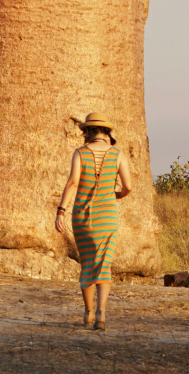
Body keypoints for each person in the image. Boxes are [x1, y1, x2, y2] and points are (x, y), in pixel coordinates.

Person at [55, 112, 133, 330]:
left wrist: (61, 210)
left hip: (83, 217)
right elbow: (128, 187)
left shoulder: (80, 153)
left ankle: (88, 312)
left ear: (88, 132)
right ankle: (101, 314)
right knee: (104, 265)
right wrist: (115, 195)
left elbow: (72, 183)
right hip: (107, 218)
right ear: (106, 133)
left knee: (87, 264)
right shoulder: (118, 155)